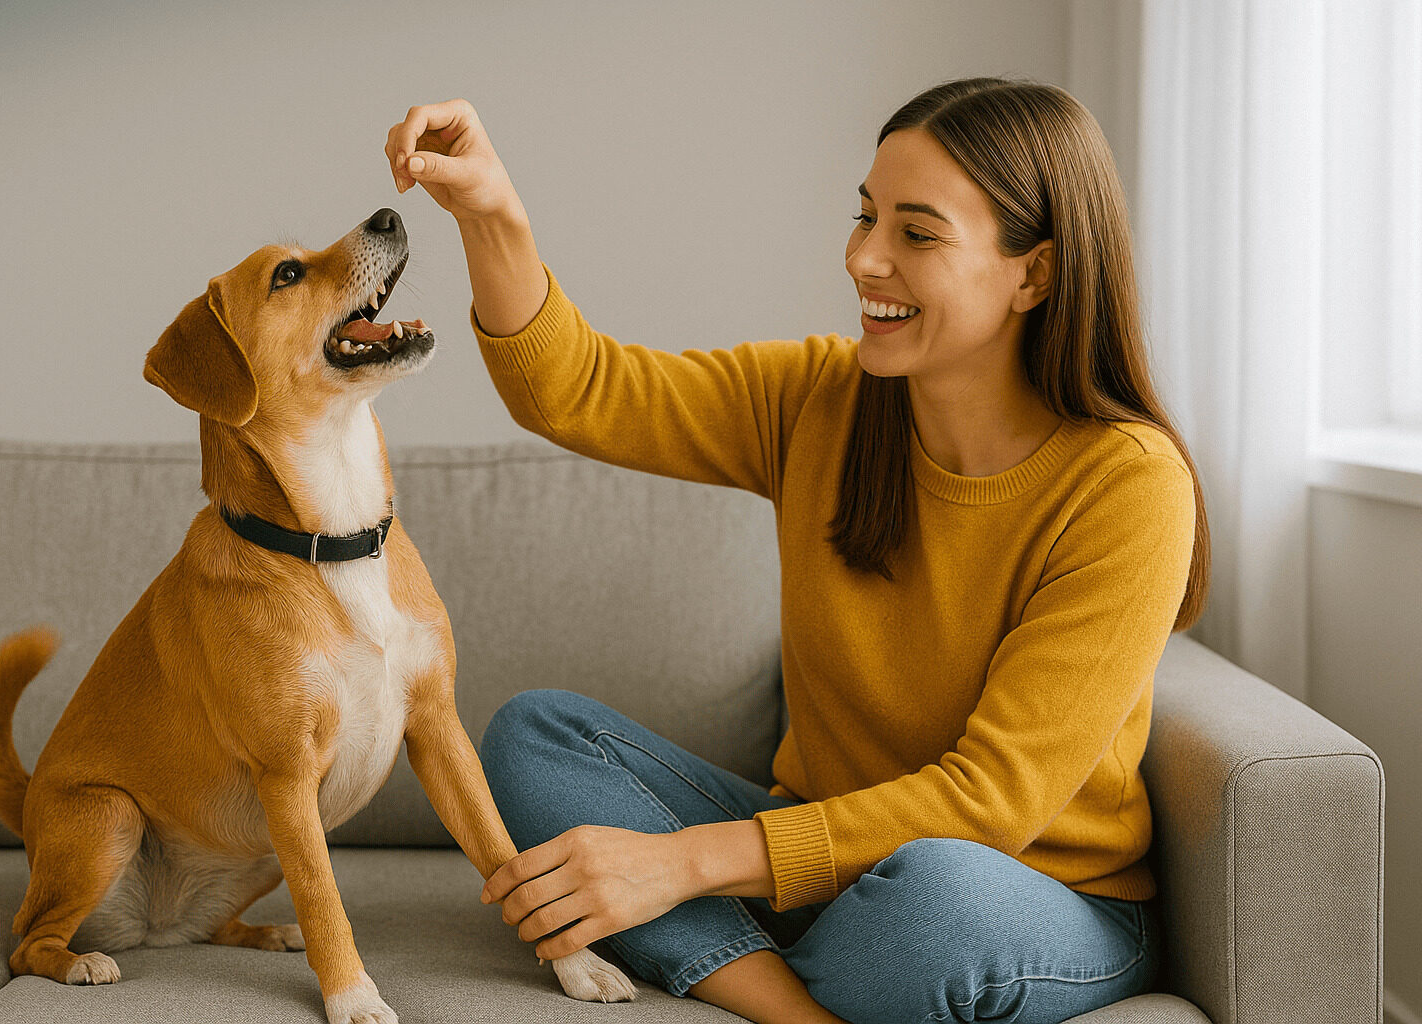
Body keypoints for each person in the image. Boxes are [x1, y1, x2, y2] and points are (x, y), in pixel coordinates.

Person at [383, 77, 1209, 1024]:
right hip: (818, 879)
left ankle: (733, 954)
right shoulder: (822, 396)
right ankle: (798, 1009)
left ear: (1037, 273)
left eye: (917, 233)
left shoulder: (1130, 482)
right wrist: (492, 214)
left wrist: (683, 864)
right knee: (536, 736)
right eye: (865, 219)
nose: (864, 259)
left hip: (1031, 899)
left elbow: (991, 803)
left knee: (936, 903)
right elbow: (579, 391)